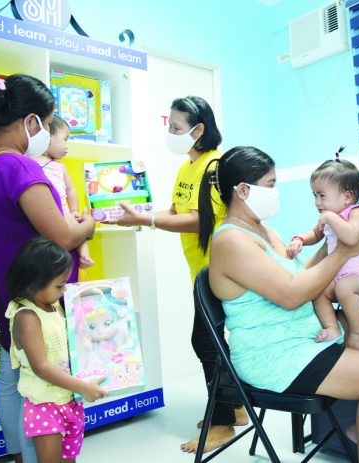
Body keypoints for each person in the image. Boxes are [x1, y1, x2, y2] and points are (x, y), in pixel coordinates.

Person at [198, 146, 359, 463]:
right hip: (273, 353)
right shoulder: (231, 240)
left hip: (301, 332)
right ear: (242, 190)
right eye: (271, 183)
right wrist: (345, 252)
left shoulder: (264, 230)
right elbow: (292, 294)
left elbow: (302, 273)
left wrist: (347, 247)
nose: (276, 192)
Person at [0, 74, 96, 463]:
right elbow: (63, 236)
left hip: (13, 295)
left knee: (12, 380)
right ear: (32, 122)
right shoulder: (18, 168)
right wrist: (89, 223)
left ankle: (21, 456)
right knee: (41, 389)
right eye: (49, 121)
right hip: (39, 300)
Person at [105, 96, 247, 452]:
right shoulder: (188, 166)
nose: (169, 133)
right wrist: (143, 211)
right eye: (168, 125)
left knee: (206, 342)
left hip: (219, 269)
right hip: (199, 270)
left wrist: (147, 220)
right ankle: (236, 408)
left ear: (198, 130)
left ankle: (222, 423)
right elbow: (176, 209)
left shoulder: (216, 166)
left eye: (176, 128)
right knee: (211, 341)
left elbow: (206, 219)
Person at [4, 238, 107, 463]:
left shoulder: (54, 306)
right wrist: (82, 386)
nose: (64, 290)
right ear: (33, 282)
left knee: (69, 459)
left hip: (69, 398)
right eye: (59, 285)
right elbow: (40, 366)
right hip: (44, 403)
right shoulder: (27, 316)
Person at [287, 151, 359, 351]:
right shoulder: (329, 215)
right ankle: (332, 328)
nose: (317, 202)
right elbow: (316, 234)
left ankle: (358, 331)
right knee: (318, 289)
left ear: (348, 197)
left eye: (322, 196)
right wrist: (300, 240)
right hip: (343, 277)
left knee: (344, 288)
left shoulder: (356, 212)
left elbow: (352, 237)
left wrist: (331, 218)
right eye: (315, 195)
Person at [34, 115, 94, 269]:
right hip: (40, 213)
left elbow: (71, 190)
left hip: (63, 212)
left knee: (77, 227)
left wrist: (74, 210)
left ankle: (84, 255)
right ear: (47, 137)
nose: (67, 145)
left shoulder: (60, 166)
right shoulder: (29, 161)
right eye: (65, 139)